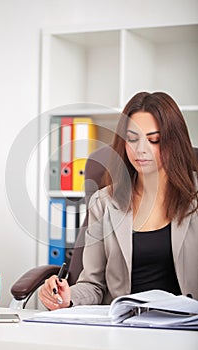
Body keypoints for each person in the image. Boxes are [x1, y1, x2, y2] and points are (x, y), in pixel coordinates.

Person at [38, 91, 198, 310]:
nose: (140, 149)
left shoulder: (194, 198)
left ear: (174, 142)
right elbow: (92, 285)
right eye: (132, 139)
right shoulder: (103, 203)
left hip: (184, 328)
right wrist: (67, 297)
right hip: (124, 325)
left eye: (154, 140)